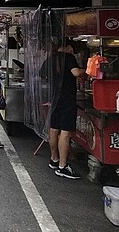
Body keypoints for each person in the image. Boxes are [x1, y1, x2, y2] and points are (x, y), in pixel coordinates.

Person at [41, 38, 85, 179]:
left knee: (54, 129)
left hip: (55, 99)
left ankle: (54, 159)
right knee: (65, 133)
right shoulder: (68, 57)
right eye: (72, 47)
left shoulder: (50, 59)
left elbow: (42, 74)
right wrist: (88, 69)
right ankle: (62, 166)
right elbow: (76, 73)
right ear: (66, 47)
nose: (73, 51)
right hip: (67, 100)